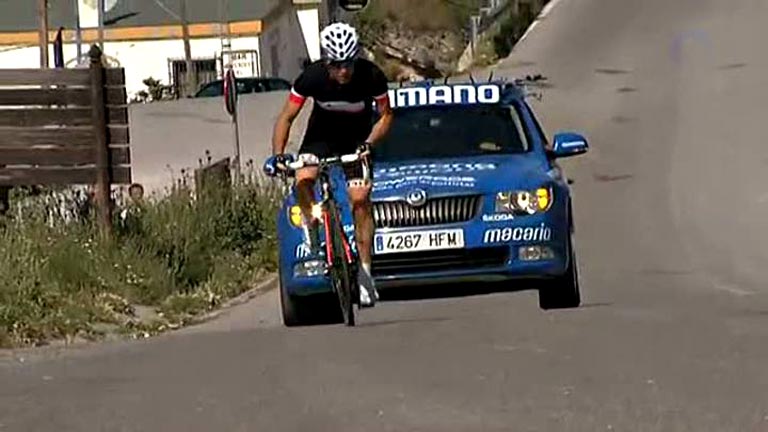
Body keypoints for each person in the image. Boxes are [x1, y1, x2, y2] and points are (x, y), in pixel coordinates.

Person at [263, 22, 394, 307]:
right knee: (303, 179)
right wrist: (278, 154)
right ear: (326, 62)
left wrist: (369, 143)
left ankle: (365, 274)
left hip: (356, 140)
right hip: (320, 138)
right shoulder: (311, 78)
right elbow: (286, 117)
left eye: (348, 64)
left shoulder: (371, 76)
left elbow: (386, 116)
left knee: (360, 199)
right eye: (336, 65)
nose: (343, 71)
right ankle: (311, 221)